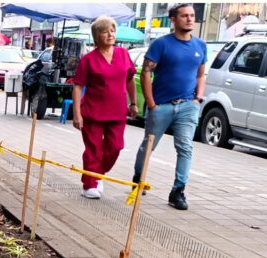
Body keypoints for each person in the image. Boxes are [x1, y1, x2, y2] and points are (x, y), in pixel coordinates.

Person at [132, 2, 208, 210]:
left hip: (187, 106)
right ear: (173, 20)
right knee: (148, 146)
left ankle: (178, 191)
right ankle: (138, 179)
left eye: (192, 15)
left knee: (185, 148)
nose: (190, 19)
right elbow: (146, 72)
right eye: (184, 16)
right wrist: (151, 103)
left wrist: (198, 98)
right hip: (162, 105)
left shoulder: (200, 45)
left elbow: (201, 74)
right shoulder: (161, 44)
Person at [71, 16, 137, 200]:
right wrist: (77, 114)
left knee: (115, 147)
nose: (110, 34)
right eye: (105, 31)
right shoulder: (88, 59)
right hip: (92, 111)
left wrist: (133, 103)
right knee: (93, 149)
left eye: (112, 30)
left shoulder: (123, 54)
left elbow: (130, 79)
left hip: (117, 111)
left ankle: (97, 173)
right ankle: (89, 184)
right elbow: (77, 86)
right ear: (96, 36)